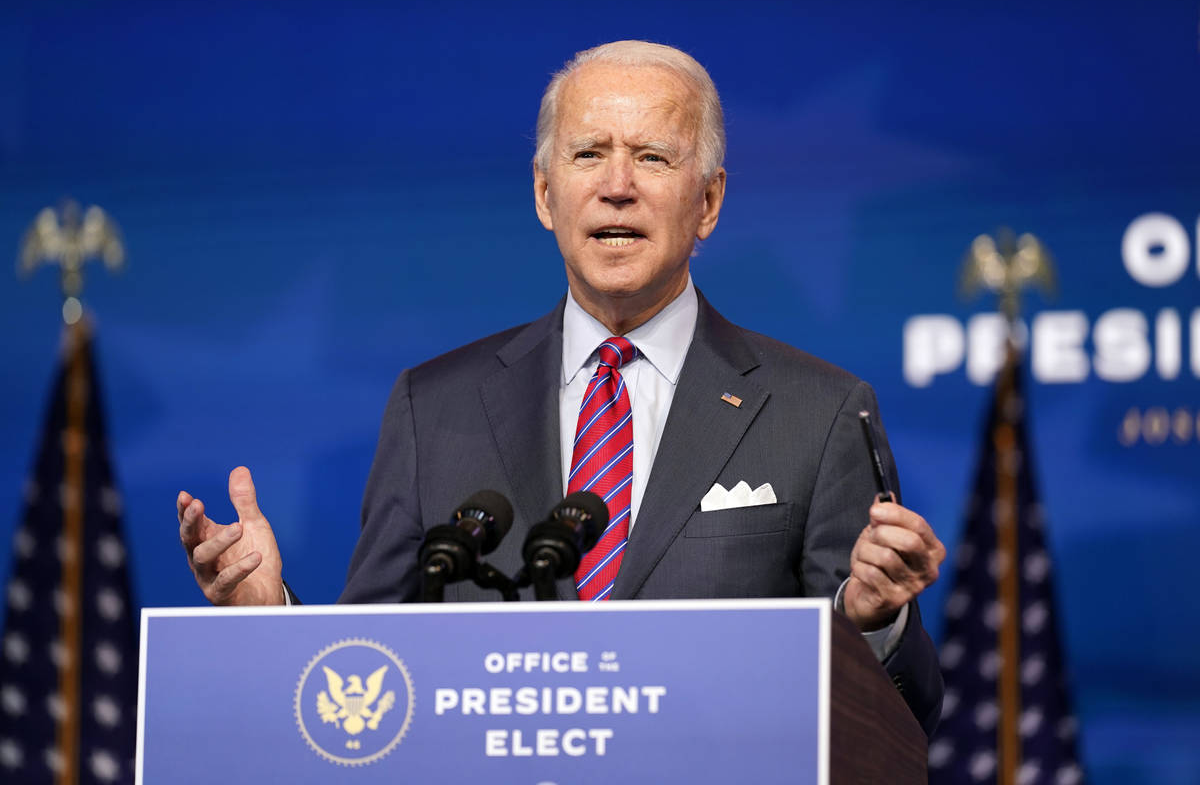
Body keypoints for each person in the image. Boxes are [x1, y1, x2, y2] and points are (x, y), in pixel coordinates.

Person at [176, 41, 946, 734]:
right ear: (546, 195)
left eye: (652, 156)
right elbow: (371, 680)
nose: (617, 187)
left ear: (707, 201)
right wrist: (269, 618)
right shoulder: (432, 408)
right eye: (587, 155)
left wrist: (870, 620)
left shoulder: (818, 412)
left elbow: (904, 717)